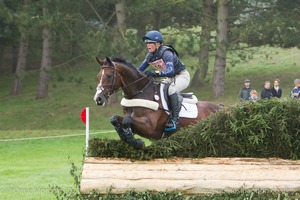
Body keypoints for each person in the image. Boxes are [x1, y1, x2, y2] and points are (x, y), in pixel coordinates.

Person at [137, 30, 190, 131]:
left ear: (157, 44)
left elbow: (170, 71)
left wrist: (154, 73)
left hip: (182, 76)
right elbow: (139, 70)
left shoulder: (167, 52)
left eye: (150, 43)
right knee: (156, 88)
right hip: (170, 78)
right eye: (147, 43)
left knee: (171, 90)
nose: (148, 46)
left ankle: (174, 120)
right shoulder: (150, 56)